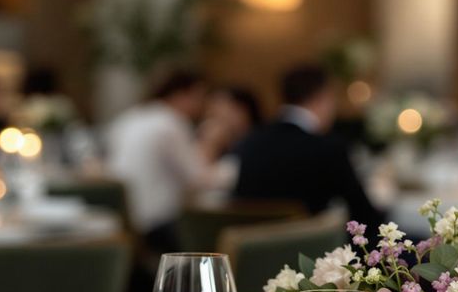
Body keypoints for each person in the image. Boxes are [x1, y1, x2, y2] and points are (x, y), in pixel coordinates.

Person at [234, 64, 382, 229]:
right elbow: (363, 214)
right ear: (322, 97)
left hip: (251, 246)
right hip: (307, 249)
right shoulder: (328, 148)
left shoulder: (251, 141)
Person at [105, 68, 221, 252]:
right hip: (157, 223)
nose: (203, 106)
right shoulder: (171, 123)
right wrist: (212, 143)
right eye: (200, 97)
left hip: (125, 219)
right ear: (182, 94)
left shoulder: (130, 117)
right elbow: (199, 178)